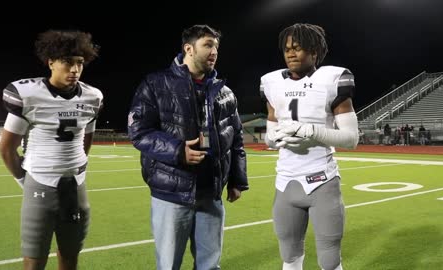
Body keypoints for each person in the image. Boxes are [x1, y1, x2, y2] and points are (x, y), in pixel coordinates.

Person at [128, 24, 248, 270]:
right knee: (169, 264)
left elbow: (236, 138)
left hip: (210, 193)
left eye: (216, 46)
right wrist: (176, 150)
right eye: (207, 45)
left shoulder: (225, 93)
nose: (214, 51)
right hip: (172, 193)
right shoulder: (155, 84)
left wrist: (237, 179)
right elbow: (139, 131)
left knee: (210, 265)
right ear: (188, 49)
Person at [0, 29, 103, 270]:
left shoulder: (92, 97)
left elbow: (86, 140)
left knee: (70, 254)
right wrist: (25, 179)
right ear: (51, 62)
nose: (75, 70)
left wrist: (76, 166)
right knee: (35, 259)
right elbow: (6, 148)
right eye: (68, 62)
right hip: (40, 182)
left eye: (80, 63)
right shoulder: (29, 95)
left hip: (76, 184)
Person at [260, 23, 359, 270]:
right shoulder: (273, 83)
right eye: (287, 49)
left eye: (298, 48)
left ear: (314, 52)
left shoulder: (332, 80)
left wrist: (312, 132)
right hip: (285, 181)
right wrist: (276, 138)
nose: (291, 53)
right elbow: (270, 135)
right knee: (289, 255)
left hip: (322, 181)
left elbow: (351, 138)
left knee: (329, 259)